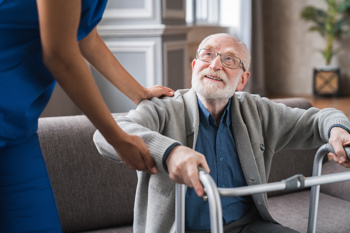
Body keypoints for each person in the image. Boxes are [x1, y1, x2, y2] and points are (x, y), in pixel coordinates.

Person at [93, 33, 350, 233]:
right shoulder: (162, 108)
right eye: (207, 55)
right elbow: (107, 134)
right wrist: (170, 152)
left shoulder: (257, 111)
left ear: (242, 79)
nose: (215, 64)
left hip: (247, 226)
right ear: (194, 66)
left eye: (229, 60)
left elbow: (319, 117)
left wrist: (338, 129)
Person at [0, 1, 174, 232]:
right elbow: (60, 55)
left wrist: (139, 92)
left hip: (17, 127)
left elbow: (85, 36)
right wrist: (116, 137)